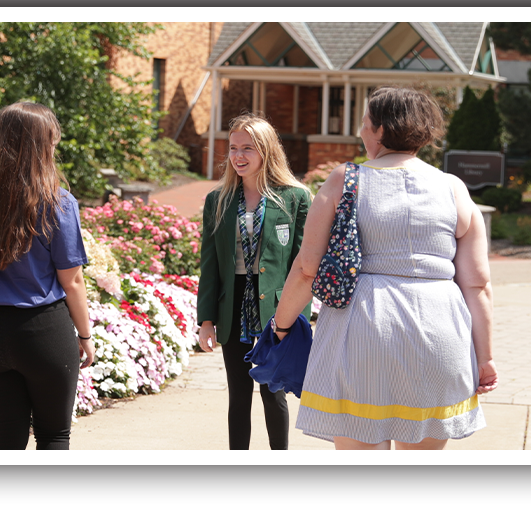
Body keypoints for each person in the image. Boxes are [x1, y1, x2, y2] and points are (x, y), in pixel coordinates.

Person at [271, 86, 498, 450]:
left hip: (364, 327)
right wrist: (484, 358)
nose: (361, 131)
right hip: (440, 331)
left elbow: (306, 269)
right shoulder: (454, 189)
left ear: (379, 130)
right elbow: (478, 285)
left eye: (364, 123)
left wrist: (280, 327)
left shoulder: (344, 180)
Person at [0, 101, 95, 450]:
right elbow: (73, 281)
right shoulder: (58, 203)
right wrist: (85, 334)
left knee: (7, 443)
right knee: (53, 436)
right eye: (51, 141)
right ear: (41, 146)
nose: (55, 148)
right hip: (42, 332)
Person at [197, 114, 313, 450]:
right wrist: (206, 321)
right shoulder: (217, 201)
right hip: (232, 310)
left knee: (274, 395)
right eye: (233, 148)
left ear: (267, 151)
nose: (239, 156)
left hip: (279, 311)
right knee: (238, 397)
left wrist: (296, 319)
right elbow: (210, 266)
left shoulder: (295, 198)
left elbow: (302, 264)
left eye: (248, 148)